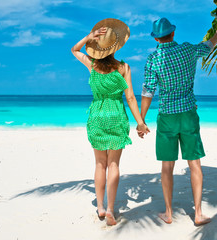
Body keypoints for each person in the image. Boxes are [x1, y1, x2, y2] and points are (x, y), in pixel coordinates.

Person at [138, 17, 217, 225]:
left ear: (156, 38)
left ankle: (169, 213)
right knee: (194, 164)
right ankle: (198, 213)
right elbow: (207, 46)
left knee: (167, 167)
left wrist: (141, 120)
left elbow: (148, 91)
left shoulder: (153, 60)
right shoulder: (187, 50)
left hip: (167, 116)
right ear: (173, 34)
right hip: (188, 114)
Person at [71, 18, 149, 226]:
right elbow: (131, 97)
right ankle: (112, 210)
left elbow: (75, 51)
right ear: (115, 47)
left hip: (97, 116)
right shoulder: (123, 67)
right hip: (116, 115)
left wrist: (88, 37)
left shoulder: (92, 64)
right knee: (113, 164)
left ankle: (100, 208)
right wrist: (140, 123)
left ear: (97, 48)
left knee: (99, 164)